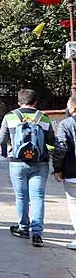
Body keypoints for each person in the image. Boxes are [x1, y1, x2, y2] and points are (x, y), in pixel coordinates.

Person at [0, 88, 55, 247]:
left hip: (17, 162)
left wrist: (14, 143)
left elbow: (1, 138)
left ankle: (23, 227)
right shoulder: (43, 118)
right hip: (40, 162)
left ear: (18, 101)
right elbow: (51, 141)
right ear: (35, 102)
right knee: (38, 197)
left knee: (21, 196)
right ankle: (37, 233)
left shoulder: (10, 116)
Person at [51, 95, 76, 250]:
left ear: (73, 107)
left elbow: (61, 148)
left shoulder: (66, 124)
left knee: (74, 204)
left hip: (73, 171)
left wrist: (57, 168)